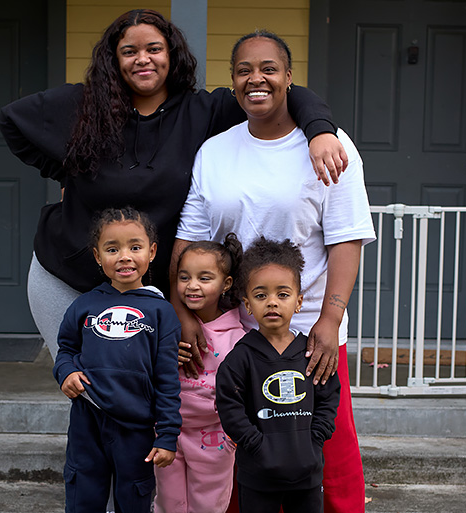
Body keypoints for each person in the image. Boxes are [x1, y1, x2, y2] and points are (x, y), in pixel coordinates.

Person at [0, 9, 348, 360]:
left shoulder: (203, 112)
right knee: (91, 390)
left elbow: (282, 92)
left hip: (152, 289)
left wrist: (319, 131)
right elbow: (11, 120)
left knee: (140, 395)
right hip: (69, 276)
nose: (143, 59)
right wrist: (67, 171)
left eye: (154, 48)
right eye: (129, 52)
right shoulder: (83, 105)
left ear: (172, 54)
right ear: (114, 60)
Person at [174, 31, 376, 513]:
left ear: (289, 77)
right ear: (232, 81)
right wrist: (184, 311)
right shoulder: (215, 152)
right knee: (238, 441)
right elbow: (189, 240)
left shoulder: (329, 145)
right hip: (234, 331)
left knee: (328, 441)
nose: (256, 79)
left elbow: (346, 237)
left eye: (268, 68)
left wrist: (329, 320)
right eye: (244, 70)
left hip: (310, 331)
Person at [53, 207, 180, 512]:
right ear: (98, 256)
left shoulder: (162, 312)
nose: (124, 256)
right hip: (88, 419)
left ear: (151, 252)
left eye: (135, 247)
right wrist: (66, 372)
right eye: (113, 249)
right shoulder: (84, 306)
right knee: (84, 491)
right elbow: (65, 350)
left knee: (133, 497)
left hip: (135, 425)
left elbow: (167, 378)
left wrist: (167, 434)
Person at [216, 237, 340, 513]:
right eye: (261, 296)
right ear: (247, 305)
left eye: (282, 295)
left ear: (298, 302)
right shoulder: (241, 358)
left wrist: (315, 438)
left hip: (307, 474)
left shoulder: (311, 353)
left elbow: (328, 397)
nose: (272, 302)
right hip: (258, 476)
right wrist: (256, 445)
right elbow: (228, 406)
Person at [154, 235, 247, 513]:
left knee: (208, 504)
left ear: (226, 284)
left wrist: (234, 434)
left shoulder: (238, 338)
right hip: (168, 432)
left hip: (214, 437)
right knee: (167, 502)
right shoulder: (167, 327)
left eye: (204, 278)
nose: (192, 286)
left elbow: (242, 393)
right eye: (184, 277)